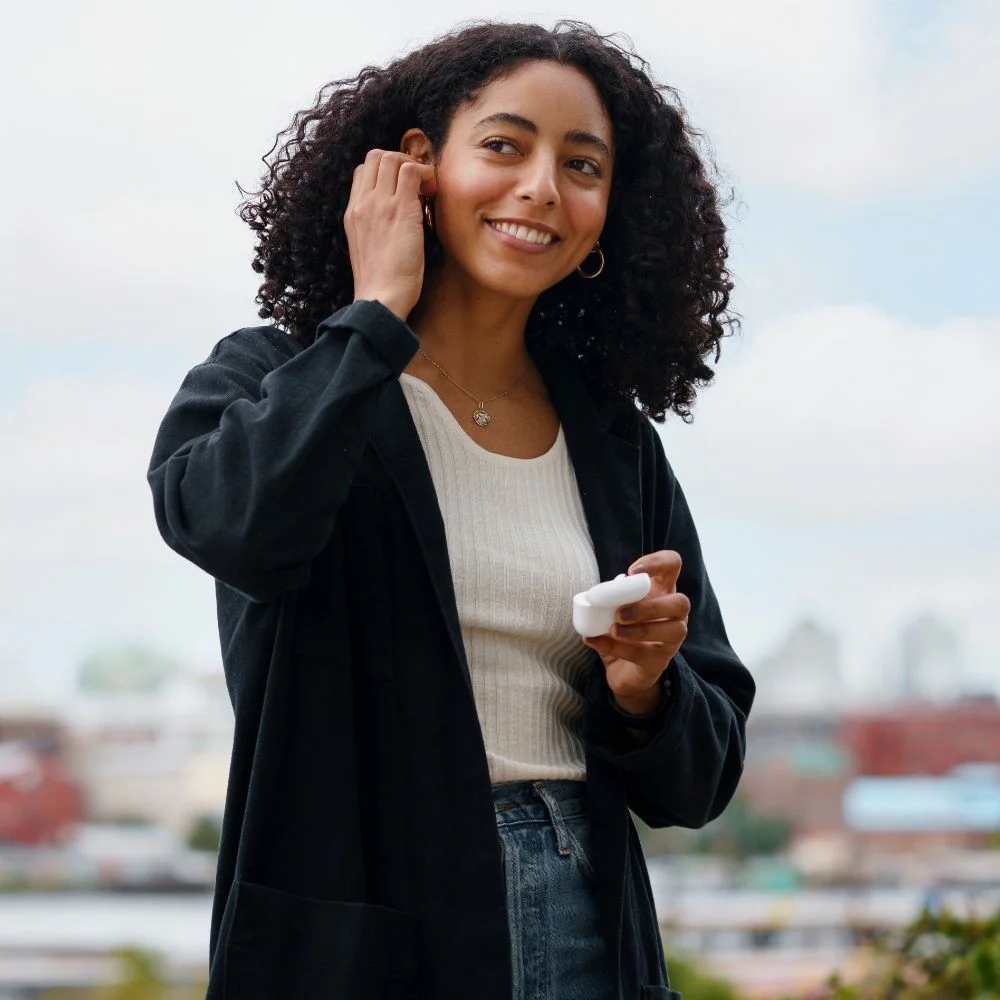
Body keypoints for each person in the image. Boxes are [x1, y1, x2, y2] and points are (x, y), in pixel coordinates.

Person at [147, 19, 755, 1000]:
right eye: (505, 145)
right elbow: (236, 529)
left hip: (591, 924)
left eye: (582, 164)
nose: (543, 188)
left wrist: (645, 688)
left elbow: (701, 776)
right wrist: (375, 315)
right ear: (416, 167)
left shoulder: (611, 441)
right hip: (365, 940)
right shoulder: (275, 377)